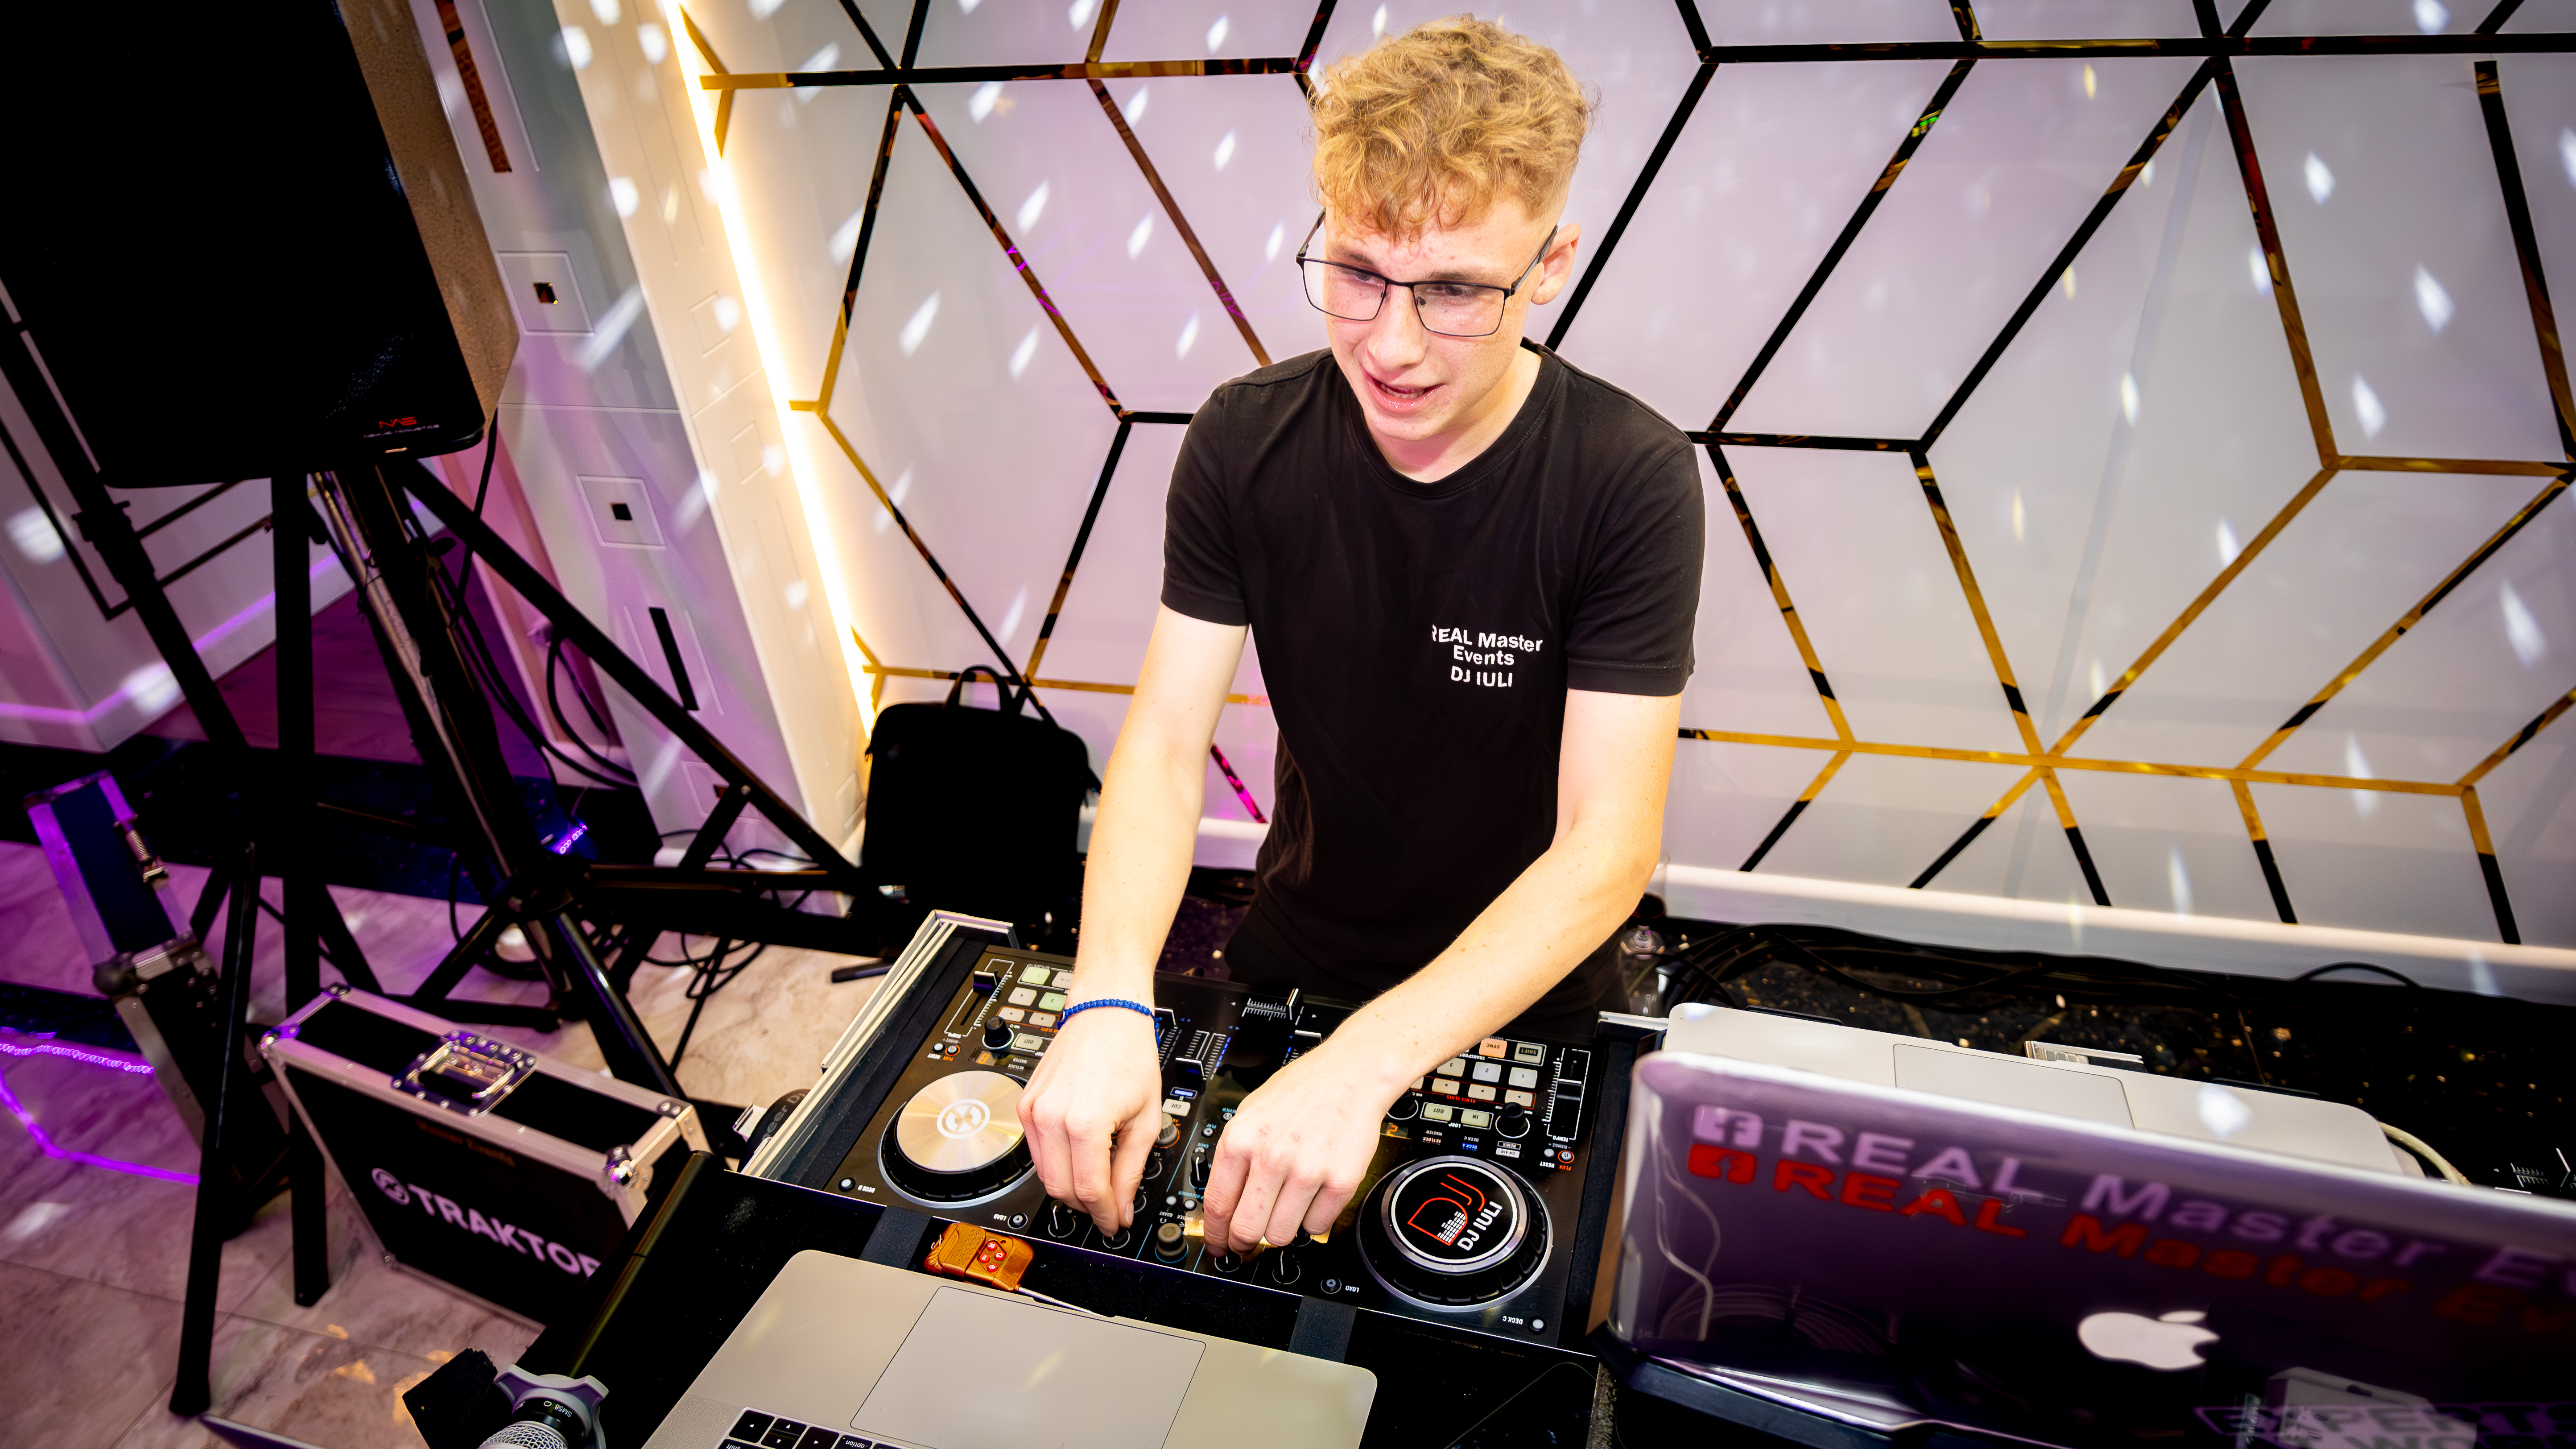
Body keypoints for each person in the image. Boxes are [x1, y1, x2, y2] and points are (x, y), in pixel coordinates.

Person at [1017, 16, 1704, 1256]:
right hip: (1297, 946)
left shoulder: (1630, 478)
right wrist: (1108, 995)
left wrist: (1367, 1063)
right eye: (1357, 273)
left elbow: (1610, 845)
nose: (1391, 345)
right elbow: (1164, 748)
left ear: (1551, 264)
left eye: (1456, 292)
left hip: (1530, 990)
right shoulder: (1242, 439)